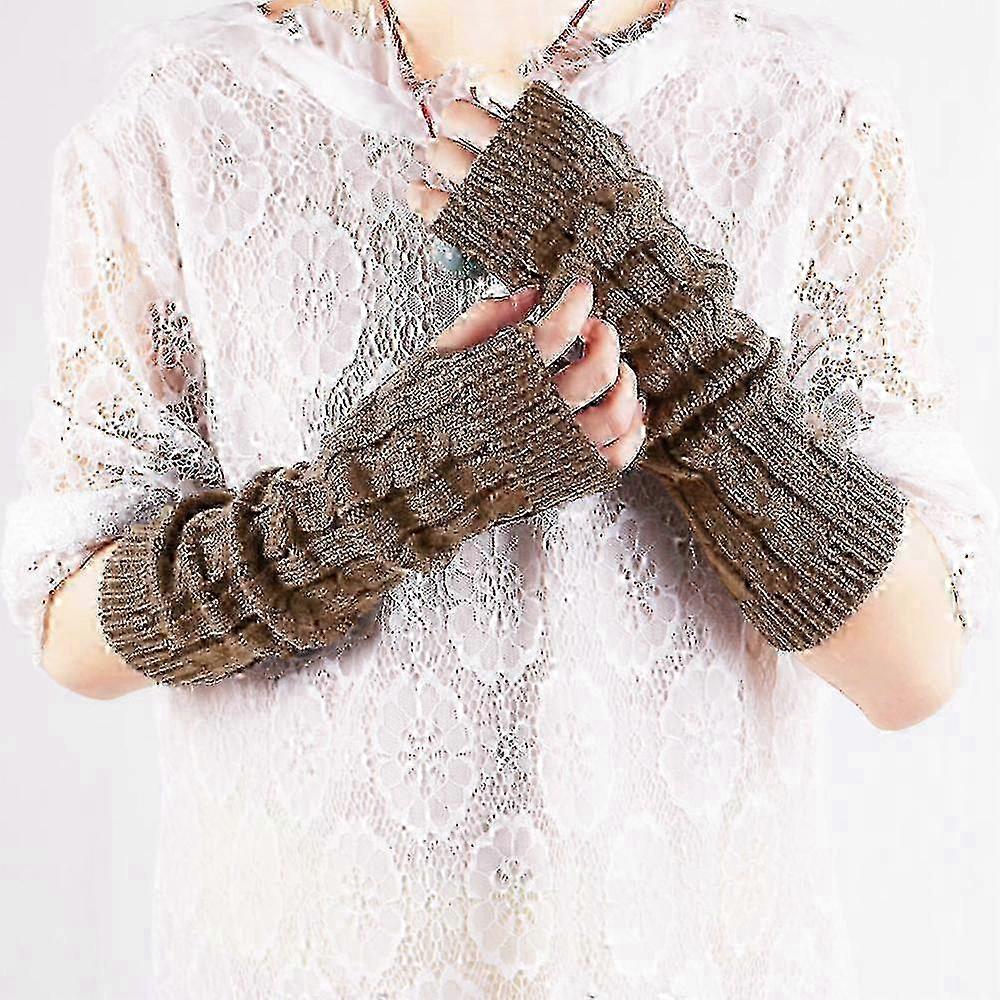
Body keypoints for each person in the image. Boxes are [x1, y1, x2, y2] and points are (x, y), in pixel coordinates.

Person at [1, 0, 996, 996]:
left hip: (686, 959)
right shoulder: (177, 118)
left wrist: (655, 310)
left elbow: (913, 667)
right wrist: (385, 492)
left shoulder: (800, 110)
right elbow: (71, 630)